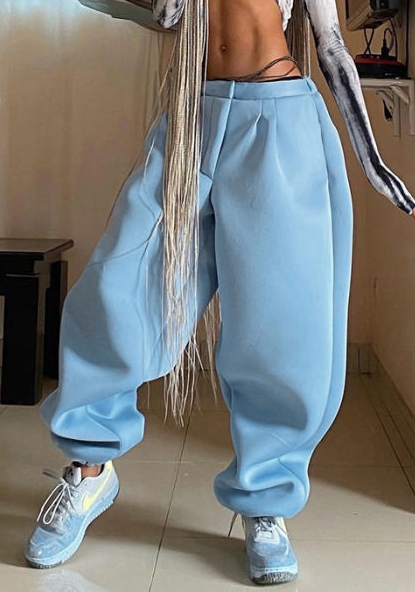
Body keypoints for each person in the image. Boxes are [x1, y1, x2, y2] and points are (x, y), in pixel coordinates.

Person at [25, 0, 415, 586]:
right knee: (118, 287)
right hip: (193, 120)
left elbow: (332, 47)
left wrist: (374, 164)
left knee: (282, 326)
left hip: (281, 120)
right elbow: (166, 17)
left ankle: (266, 501)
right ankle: (89, 471)